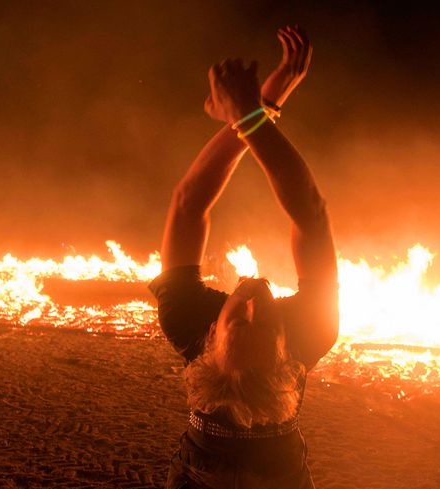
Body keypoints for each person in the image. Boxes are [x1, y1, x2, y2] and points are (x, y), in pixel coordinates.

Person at [149, 26, 338, 489]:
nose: (255, 301)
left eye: (239, 321)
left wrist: (257, 110)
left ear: (211, 338)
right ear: (284, 350)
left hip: (199, 471)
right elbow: (311, 214)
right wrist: (253, 112)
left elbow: (188, 202)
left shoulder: (187, 321)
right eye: (269, 324)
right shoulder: (311, 333)